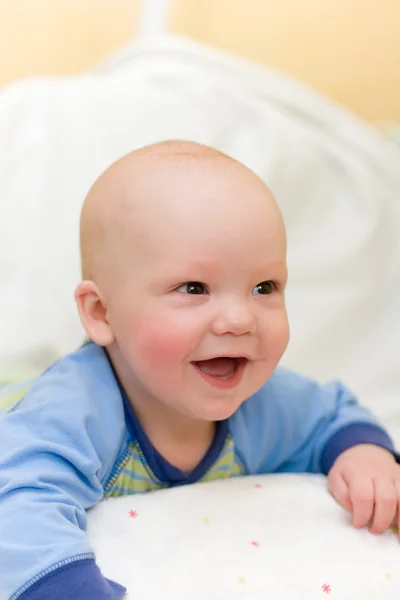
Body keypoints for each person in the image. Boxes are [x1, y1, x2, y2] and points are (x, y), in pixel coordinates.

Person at [1, 140, 399, 600]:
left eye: (263, 286)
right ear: (101, 313)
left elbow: (331, 417)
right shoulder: (75, 411)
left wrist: (364, 455)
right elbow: (18, 503)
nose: (240, 319)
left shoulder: (262, 404)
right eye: (195, 287)